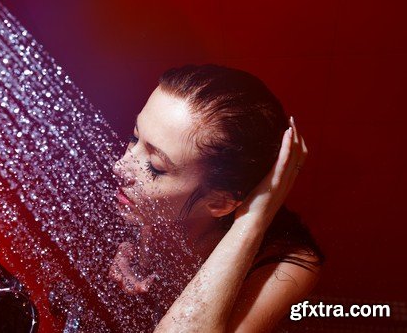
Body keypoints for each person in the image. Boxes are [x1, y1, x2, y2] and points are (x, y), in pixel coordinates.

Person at [108, 64, 324, 332]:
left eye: (155, 167)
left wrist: (254, 218)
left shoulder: (284, 268)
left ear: (220, 203)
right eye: (134, 137)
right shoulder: (153, 212)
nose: (120, 167)